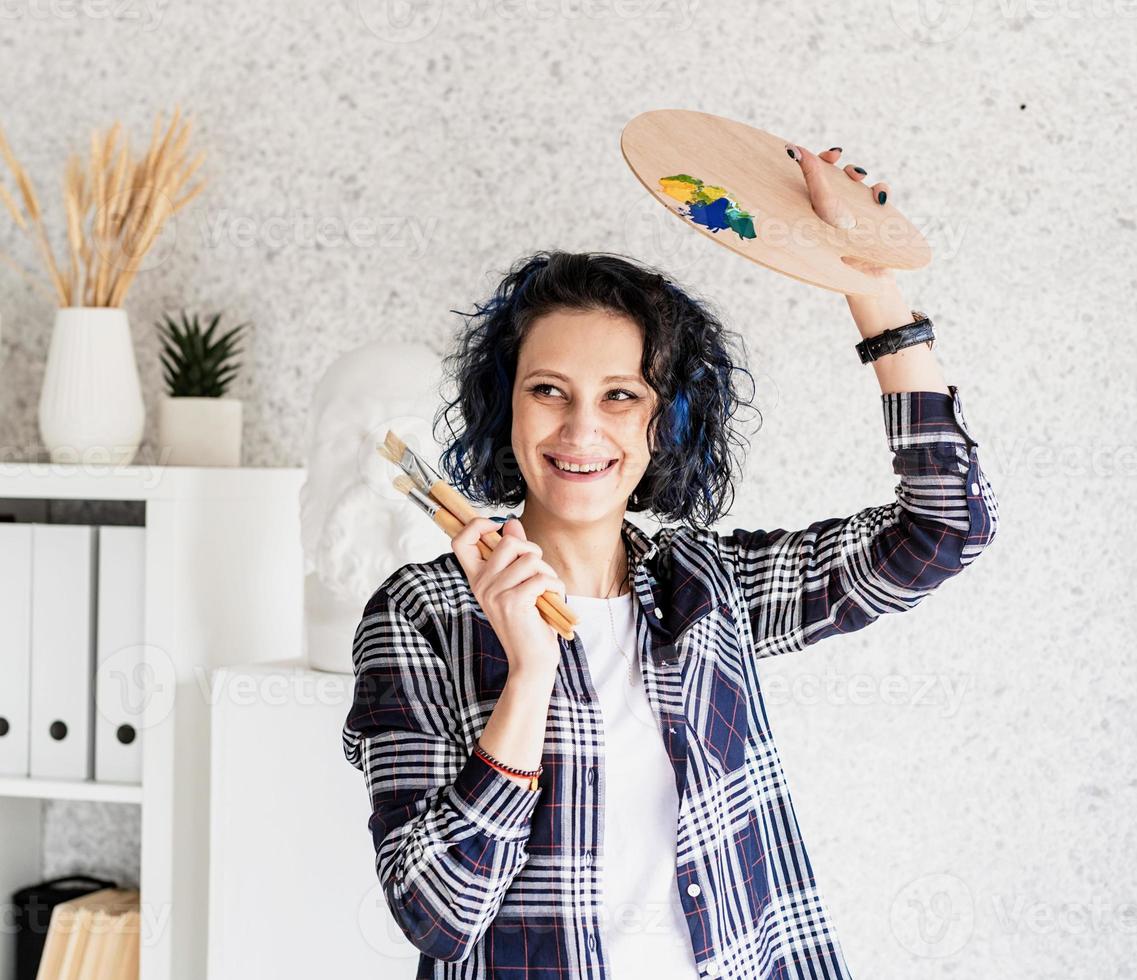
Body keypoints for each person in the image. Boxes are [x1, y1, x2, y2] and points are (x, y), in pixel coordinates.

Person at [342, 144, 999, 979]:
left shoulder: (707, 589)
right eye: (548, 391)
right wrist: (528, 676)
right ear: (502, 404)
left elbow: (946, 529)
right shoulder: (422, 614)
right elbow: (436, 913)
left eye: (621, 395)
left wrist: (867, 283)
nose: (581, 432)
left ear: (667, 421)